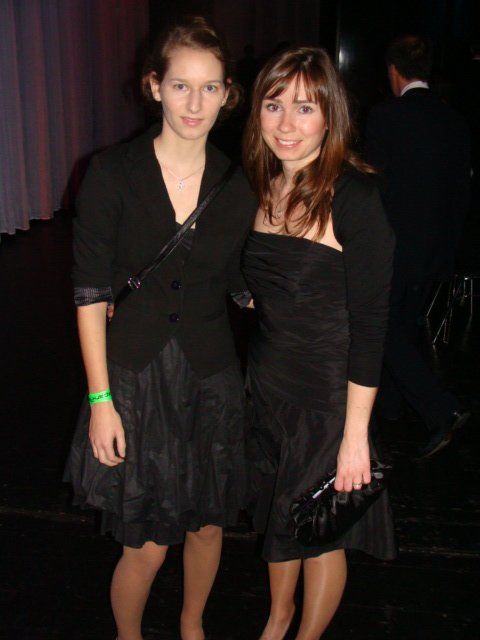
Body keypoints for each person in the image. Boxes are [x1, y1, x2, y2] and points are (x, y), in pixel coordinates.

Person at [64, 17, 256, 640]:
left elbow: (243, 273)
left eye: (209, 88)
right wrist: (101, 401)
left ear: (227, 94)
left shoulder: (240, 184)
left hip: (211, 375)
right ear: (154, 87)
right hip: (136, 380)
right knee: (144, 544)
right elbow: (90, 294)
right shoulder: (112, 173)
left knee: (208, 526)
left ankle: (192, 626)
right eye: (180, 86)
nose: (194, 104)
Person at [242, 47, 396, 640]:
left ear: (330, 116)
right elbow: (248, 278)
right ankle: (276, 620)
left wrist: (355, 436)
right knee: (278, 513)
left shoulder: (353, 197)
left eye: (305, 108)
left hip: (328, 398)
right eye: (274, 105)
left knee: (318, 530)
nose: (286, 124)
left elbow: (372, 324)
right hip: (268, 386)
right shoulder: (260, 187)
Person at [366, 35, 471, 458]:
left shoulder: (385, 117)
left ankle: (442, 409)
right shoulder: (455, 121)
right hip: (438, 250)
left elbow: (375, 188)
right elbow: (462, 192)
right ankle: (391, 409)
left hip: (395, 248)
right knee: (403, 327)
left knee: (382, 330)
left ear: (394, 71)